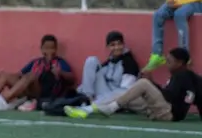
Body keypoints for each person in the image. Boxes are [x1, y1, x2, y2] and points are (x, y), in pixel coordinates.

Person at [66, 48, 201, 122]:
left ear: (180, 63)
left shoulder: (183, 75)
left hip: (168, 113)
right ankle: (87, 110)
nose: (167, 64)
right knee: (126, 94)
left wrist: (152, 83)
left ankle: (110, 108)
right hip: (161, 110)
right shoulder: (183, 76)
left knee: (143, 83)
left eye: (170, 61)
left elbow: (175, 96)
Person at [0, 34, 75, 111]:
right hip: (28, 90)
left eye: (52, 48)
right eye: (46, 48)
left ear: (56, 49)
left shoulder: (60, 62)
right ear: (41, 49)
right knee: (4, 75)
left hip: (42, 95)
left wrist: (60, 72)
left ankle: (6, 98)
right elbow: (19, 74)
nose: (49, 51)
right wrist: (6, 77)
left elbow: (72, 79)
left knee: (31, 75)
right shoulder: (36, 62)